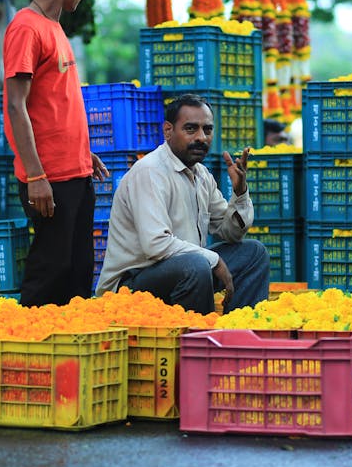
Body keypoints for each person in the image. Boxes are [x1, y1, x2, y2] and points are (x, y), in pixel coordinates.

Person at [2, 0, 108, 307]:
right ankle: (28, 346)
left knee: (78, 273)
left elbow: (53, 103)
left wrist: (83, 153)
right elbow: (16, 106)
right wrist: (35, 176)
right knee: (50, 270)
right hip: (48, 178)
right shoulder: (26, 28)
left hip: (74, 171)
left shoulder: (54, 28)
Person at [95, 94, 270, 313]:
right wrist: (213, 260)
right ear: (168, 131)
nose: (201, 137)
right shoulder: (151, 172)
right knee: (195, 265)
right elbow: (156, 244)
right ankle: (200, 339)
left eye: (207, 130)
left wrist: (240, 192)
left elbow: (231, 234)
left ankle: (238, 333)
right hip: (130, 286)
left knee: (254, 253)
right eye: (191, 129)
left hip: (184, 272)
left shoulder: (201, 174)